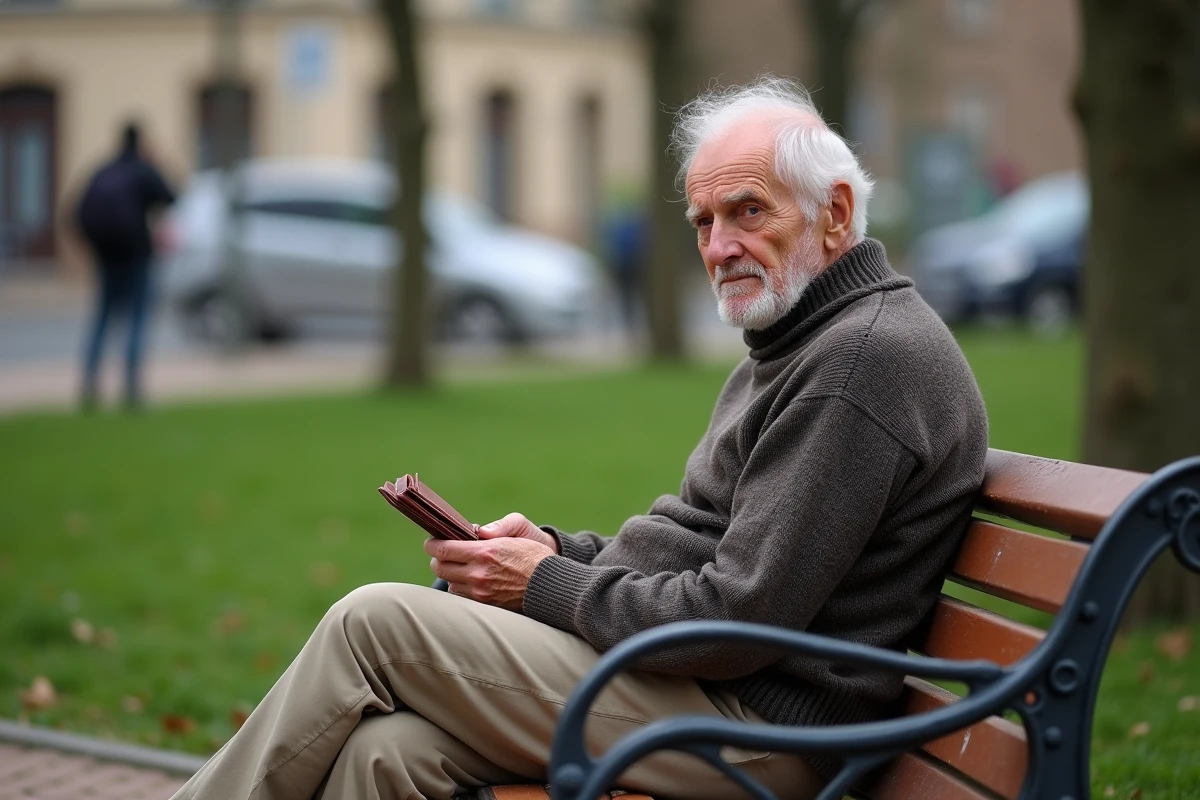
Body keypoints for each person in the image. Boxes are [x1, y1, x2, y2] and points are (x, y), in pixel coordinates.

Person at [171, 77, 988, 800]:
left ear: (835, 213)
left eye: (747, 212)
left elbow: (736, 611)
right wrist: (560, 550)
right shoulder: (804, 341)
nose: (718, 247)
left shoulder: (859, 361)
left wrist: (545, 584)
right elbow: (701, 545)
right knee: (388, 756)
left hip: (767, 734)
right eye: (703, 221)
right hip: (718, 695)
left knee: (372, 623)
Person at [76, 121, 175, 410]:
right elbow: (171, 197)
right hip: (136, 256)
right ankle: (131, 389)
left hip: (107, 258)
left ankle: (90, 386)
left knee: (102, 319)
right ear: (141, 141)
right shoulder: (143, 170)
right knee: (137, 320)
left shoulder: (104, 170)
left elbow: (76, 211)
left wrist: (96, 247)